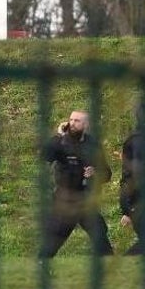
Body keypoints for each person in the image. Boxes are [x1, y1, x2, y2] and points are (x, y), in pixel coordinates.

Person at [38, 110, 114, 258]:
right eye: (71, 120)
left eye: (77, 121)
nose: (72, 123)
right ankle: (42, 263)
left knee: (99, 234)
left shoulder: (93, 144)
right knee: (55, 238)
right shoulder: (61, 142)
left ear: (86, 124)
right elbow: (45, 156)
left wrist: (95, 172)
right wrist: (59, 136)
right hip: (65, 199)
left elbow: (107, 174)